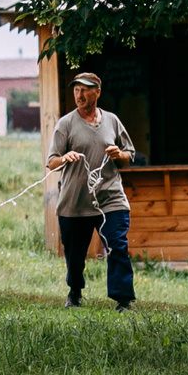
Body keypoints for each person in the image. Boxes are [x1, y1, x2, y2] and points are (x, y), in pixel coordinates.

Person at [46, 72, 135, 309]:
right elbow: (51, 162)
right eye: (76, 90)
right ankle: (75, 291)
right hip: (75, 201)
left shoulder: (112, 121)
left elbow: (128, 156)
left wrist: (119, 155)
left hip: (110, 198)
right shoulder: (66, 124)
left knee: (118, 245)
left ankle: (123, 300)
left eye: (85, 90)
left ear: (97, 92)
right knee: (74, 255)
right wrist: (65, 157)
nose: (80, 94)